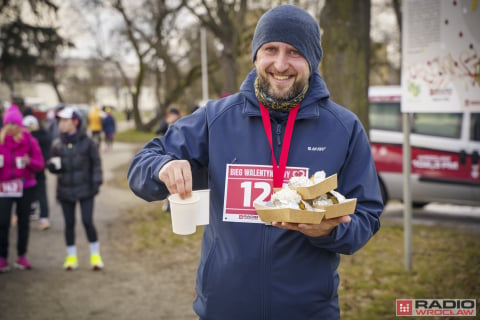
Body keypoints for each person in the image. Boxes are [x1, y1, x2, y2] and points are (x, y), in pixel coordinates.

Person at [128, 4, 383, 319]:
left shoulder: (343, 127)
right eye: (270, 49)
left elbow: (367, 216)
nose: (280, 64)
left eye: (294, 52)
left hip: (306, 312)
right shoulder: (215, 118)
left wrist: (331, 231)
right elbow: (142, 165)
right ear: (255, 55)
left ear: (314, 61)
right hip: (224, 309)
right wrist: (161, 167)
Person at [47, 107, 104, 271]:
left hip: (86, 189)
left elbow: (96, 164)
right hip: (65, 189)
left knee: (87, 221)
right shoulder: (57, 144)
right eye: (60, 121)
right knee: (69, 223)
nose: (61, 124)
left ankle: (95, 256)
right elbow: (53, 166)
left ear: (75, 122)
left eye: (65, 121)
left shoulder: (88, 142)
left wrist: (96, 182)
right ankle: (71, 257)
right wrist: (52, 167)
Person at [0, 105, 45, 272]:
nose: (11, 127)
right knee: (3, 222)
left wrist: (29, 162)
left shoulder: (30, 141)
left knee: (23, 222)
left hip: (25, 187)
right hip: (4, 188)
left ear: (19, 125)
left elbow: (40, 165)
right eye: (8, 124)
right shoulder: (1, 141)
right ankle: (2, 257)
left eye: (14, 124)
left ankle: (21, 256)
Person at [23, 115, 52, 230]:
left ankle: (30, 214)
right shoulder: (45, 136)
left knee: (28, 195)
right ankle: (43, 218)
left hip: (30, 171)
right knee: (41, 195)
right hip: (38, 170)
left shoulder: (27, 139)